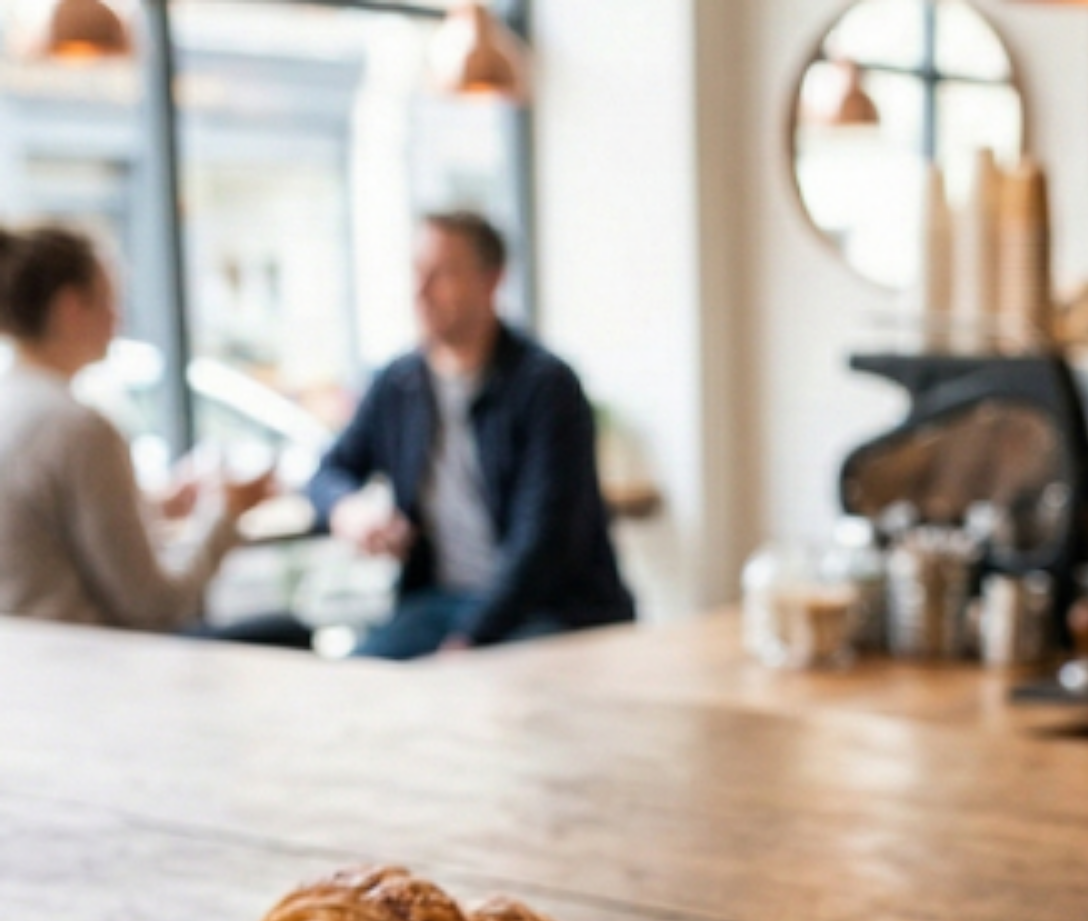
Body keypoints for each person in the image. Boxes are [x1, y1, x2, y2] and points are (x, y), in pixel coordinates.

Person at [306, 212, 635, 659]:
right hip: (437, 602)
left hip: (546, 609)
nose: (420, 292)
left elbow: (542, 545)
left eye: (440, 275)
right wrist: (348, 509)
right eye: (417, 273)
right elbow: (328, 472)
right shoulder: (399, 385)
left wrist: (469, 643)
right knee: (353, 688)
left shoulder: (545, 386)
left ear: (491, 281)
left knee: (491, 700)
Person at [0, 225, 273, 633]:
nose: (119, 317)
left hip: (23, 666)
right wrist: (225, 513)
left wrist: (153, 507)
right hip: (91, 671)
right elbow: (157, 606)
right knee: (283, 630)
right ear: (72, 306)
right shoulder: (79, 428)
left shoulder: (16, 407)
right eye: (110, 300)